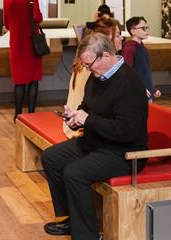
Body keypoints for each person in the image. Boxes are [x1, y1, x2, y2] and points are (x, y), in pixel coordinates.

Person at [42, 33, 149, 240]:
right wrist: (75, 116)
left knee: (74, 173)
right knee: (51, 158)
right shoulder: (98, 75)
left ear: (106, 56)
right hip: (97, 142)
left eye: (90, 65)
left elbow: (127, 131)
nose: (89, 70)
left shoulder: (129, 82)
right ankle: (74, 219)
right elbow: (88, 105)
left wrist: (87, 120)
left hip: (123, 152)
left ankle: (87, 235)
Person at [63, 16, 121, 139]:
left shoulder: (82, 63)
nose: (121, 38)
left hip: (73, 123)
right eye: (117, 35)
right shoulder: (95, 68)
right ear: (106, 41)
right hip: (81, 129)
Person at [3, 0, 44, 121]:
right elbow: (37, 17)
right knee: (33, 80)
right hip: (33, 43)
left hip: (17, 43)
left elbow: (6, 24)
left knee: (19, 80)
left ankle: (18, 114)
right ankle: (32, 114)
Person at [122, 16, 160, 102]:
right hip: (138, 94)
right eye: (143, 28)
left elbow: (145, 73)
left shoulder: (142, 47)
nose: (147, 30)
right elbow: (127, 73)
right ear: (133, 31)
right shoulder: (130, 49)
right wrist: (139, 88)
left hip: (148, 92)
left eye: (147, 28)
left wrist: (153, 88)